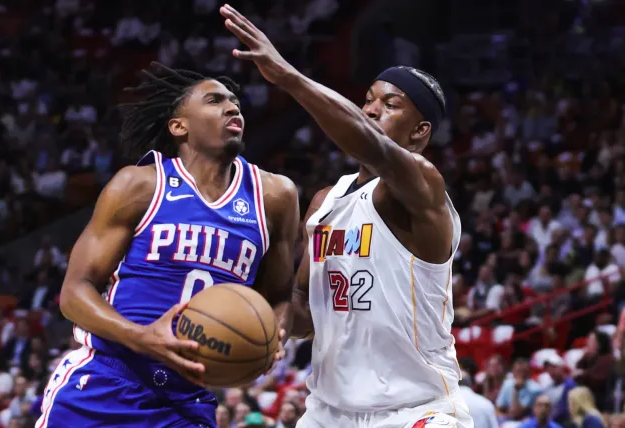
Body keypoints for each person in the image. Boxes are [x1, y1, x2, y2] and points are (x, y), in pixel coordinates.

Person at [219, 4, 472, 427]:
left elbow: (373, 146)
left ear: (420, 131)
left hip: (417, 411)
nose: (371, 111)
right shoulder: (324, 201)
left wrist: (289, 78)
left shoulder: (422, 186)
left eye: (389, 105)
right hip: (328, 412)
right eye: (367, 101)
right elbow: (304, 305)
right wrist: (272, 328)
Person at [36, 63, 300, 427]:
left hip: (187, 401)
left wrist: (273, 338)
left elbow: (281, 295)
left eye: (235, 102)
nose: (232, 107)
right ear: (179, 126)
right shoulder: (140, 185)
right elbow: (73, 293)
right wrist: (143, 337)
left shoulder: (274, 196)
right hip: (107, 382)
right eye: (214, 100)